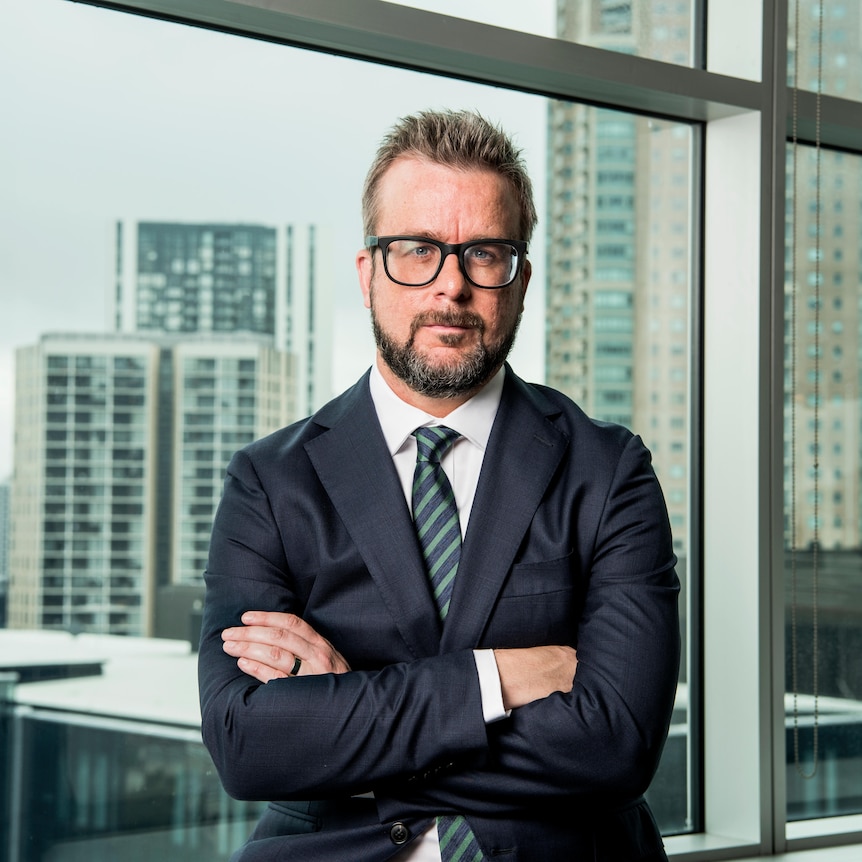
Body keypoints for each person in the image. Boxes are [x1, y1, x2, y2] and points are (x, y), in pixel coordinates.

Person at [198, 108, 680, 862]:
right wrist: (500, 676)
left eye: (485, 253)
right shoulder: (269, 481)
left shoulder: (607, 470)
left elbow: (617, 742)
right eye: (416, 249)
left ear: (520, 280)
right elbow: (247, 745)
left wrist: (348, 712)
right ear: (368, 273)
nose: (450, 286)